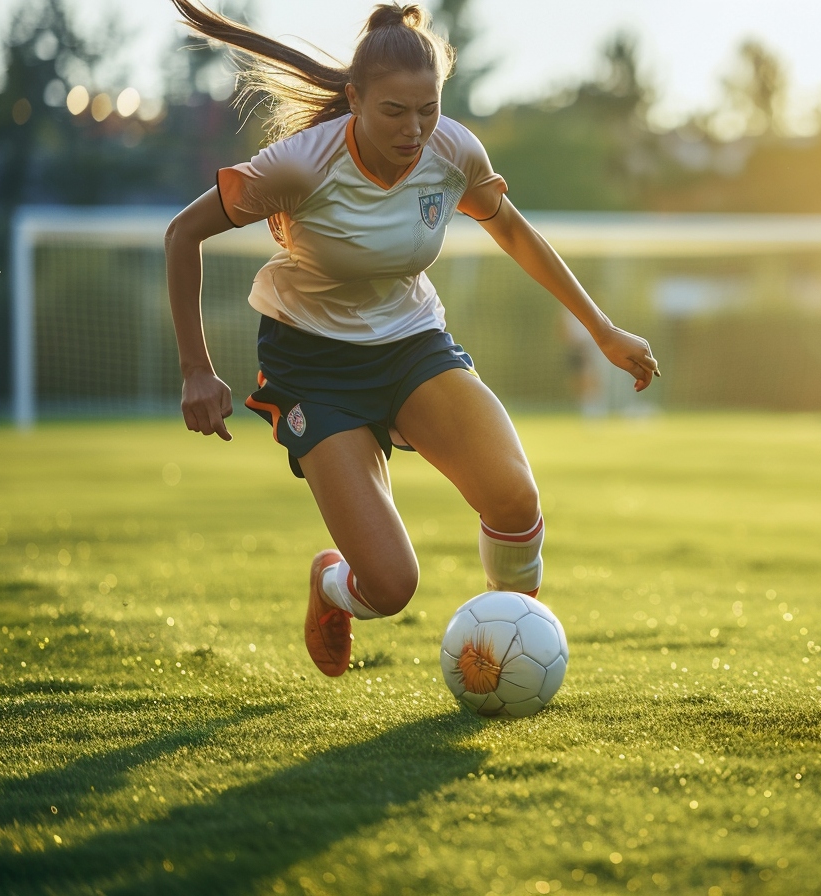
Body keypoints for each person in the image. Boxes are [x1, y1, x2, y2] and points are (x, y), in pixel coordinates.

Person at [163, 1, 659, 678]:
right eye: (395, 111)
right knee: (391, 587)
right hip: (312, 364)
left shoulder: (452, 149)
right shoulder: (301, 165)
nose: (416, 128)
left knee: (515, 499)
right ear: (355, 99)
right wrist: (197, 369)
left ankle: (507, 659)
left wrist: (601, 329)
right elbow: (182, 233)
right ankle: (332, 585)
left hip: (411, 344)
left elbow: (513, 230)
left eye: (428, 108)